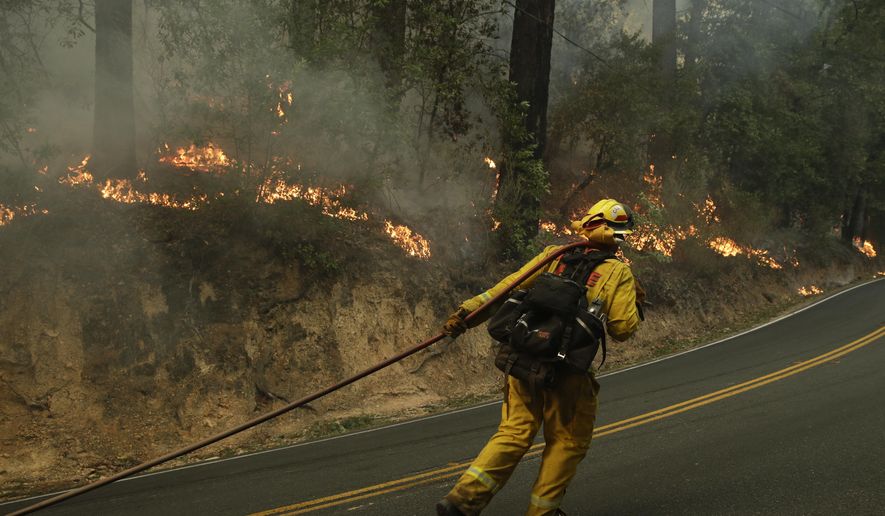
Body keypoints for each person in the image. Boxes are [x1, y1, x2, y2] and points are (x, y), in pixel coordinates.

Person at [437, 199, 643, 516]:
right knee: (567, 441)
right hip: (567, 374)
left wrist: (465, 315)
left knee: (514, 432)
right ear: (621, 236)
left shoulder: (554, 256)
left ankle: (461, 502)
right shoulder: (617, 272)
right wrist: (636, 302)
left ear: (587, 224)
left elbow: (507, 288)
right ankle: (542, 512)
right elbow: (622, 328)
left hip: (522, 359)